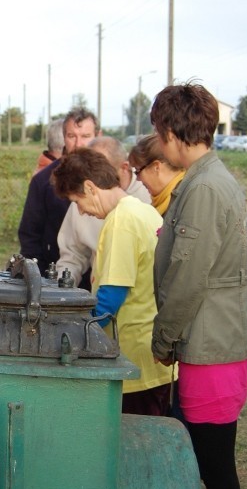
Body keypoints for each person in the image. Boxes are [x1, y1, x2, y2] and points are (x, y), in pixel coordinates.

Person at [150, 82, 247, 489]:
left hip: (212, 348)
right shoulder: (207, 179)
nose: (155, 142)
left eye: (157, 132)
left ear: (172, 133)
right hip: (212, 346)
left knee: (215, 471)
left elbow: (187, 279)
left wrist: (163, 337)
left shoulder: (207, 187)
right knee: (212, 467)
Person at [53, 148, 170, 415]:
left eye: (77, 202)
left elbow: (109, 300)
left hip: (133, 357)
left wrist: (74, 335)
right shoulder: (142, 210)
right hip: (149, 355)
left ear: (90, 187)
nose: (81, 213)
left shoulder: (122, 221)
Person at [57, 136, 151, 288]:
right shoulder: (82, 200)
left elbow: (116, 287)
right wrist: (61, 293)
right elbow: (72, 255)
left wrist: (101, 311)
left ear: (124, 167)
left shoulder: (147, 198)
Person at [18, 106, 99, 272]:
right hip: (55, 274)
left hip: (100, 276)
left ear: (98, 136)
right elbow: (30, 235)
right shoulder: (43, 181)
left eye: (85, 136)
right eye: (71, 136)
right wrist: (38, 280)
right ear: (64, 137)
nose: (78, 144)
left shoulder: (110, 177)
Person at [128, 133, 184, 215]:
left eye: (138, 171)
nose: (137, 179)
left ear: (156, 167)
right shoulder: (177, 197)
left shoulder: (182, 202)